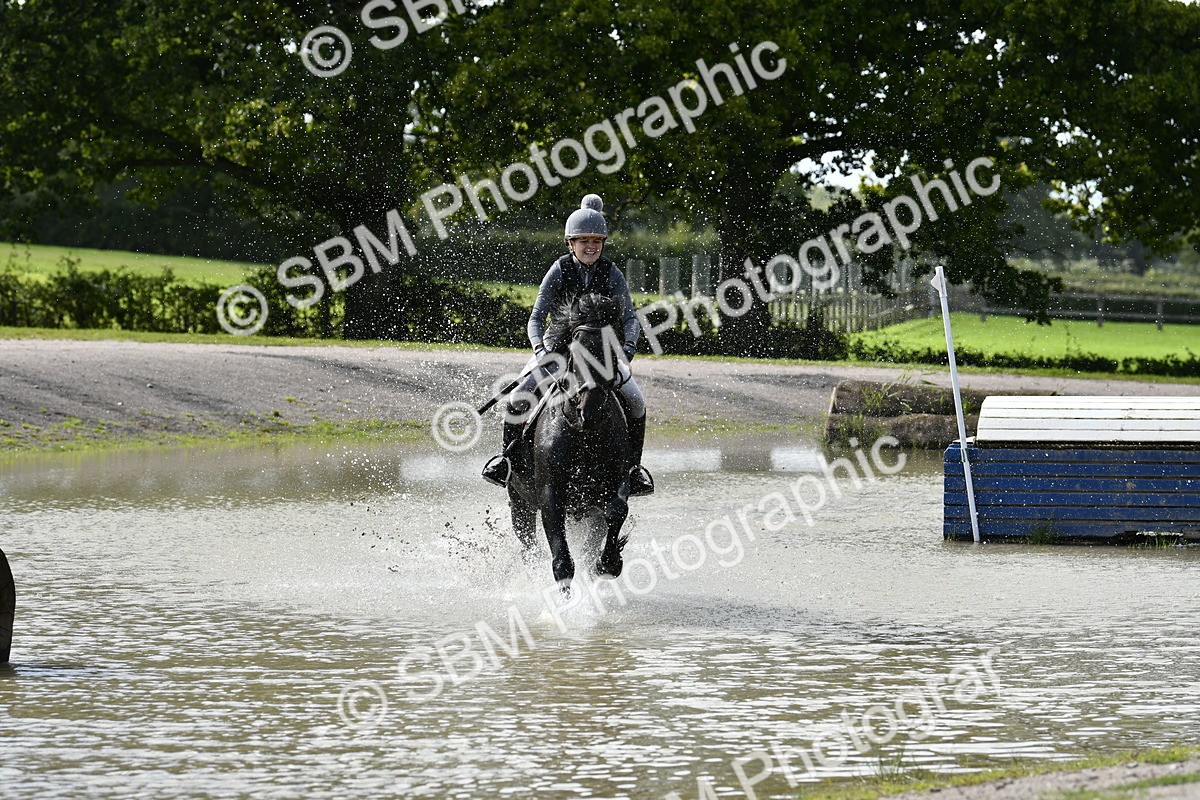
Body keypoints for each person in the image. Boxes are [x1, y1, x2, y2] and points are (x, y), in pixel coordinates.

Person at [482, 194, 654, 496]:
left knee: (636, 402)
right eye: (583, 241)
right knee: (518, 397)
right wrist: (540, 352)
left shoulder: (611, 272)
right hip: (555, 351)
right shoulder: (559, 270)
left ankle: (633, 470)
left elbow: (630, 318)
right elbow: (535, 318)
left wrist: (626, 351)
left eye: (597, 241)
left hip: (600, 354)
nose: (591, 247)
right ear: (570, 243)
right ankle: (506, 462)